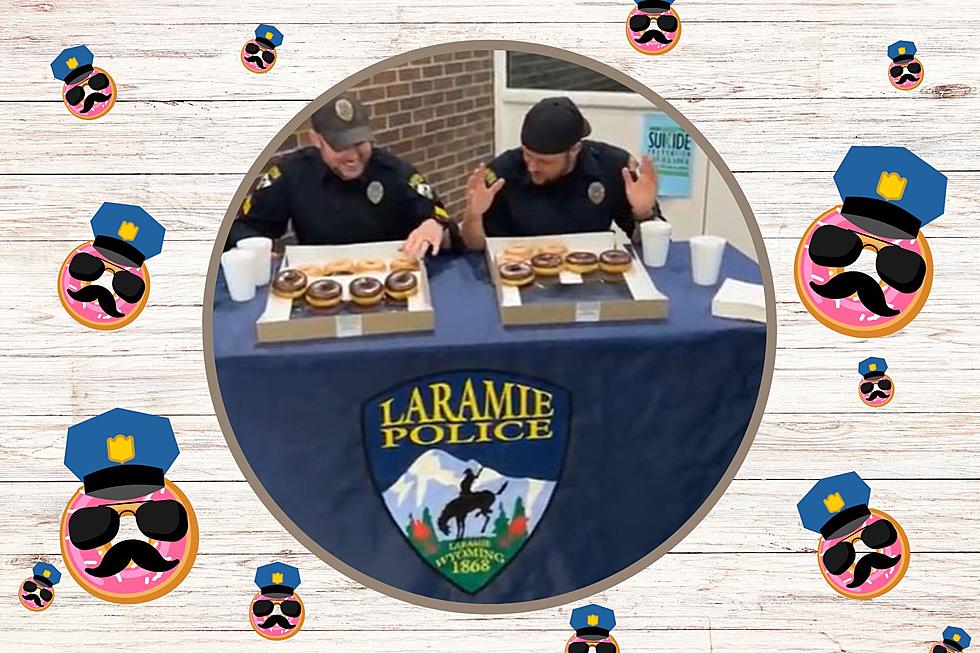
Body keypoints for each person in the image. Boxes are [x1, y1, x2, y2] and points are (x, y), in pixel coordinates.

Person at [225, 94, 456, 257]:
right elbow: (245, 228)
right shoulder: (291, 173)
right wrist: (256, 250)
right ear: (315, 140)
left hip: (390, 280)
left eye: (360, 143)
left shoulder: (395, 171)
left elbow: (440, 224)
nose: (353, 156)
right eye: (340, 146)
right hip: (318, 283)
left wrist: (435, 226)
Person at [460, 96, 666, 250]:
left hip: (591, 274)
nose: (532, 167)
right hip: (519, 276)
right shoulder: (502, 173)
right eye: (527, 155)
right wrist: (473, 215)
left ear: (575, 149)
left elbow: (650, 250)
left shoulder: (613, 167)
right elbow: (474, 249)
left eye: (544, 161)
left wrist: (643, 214)